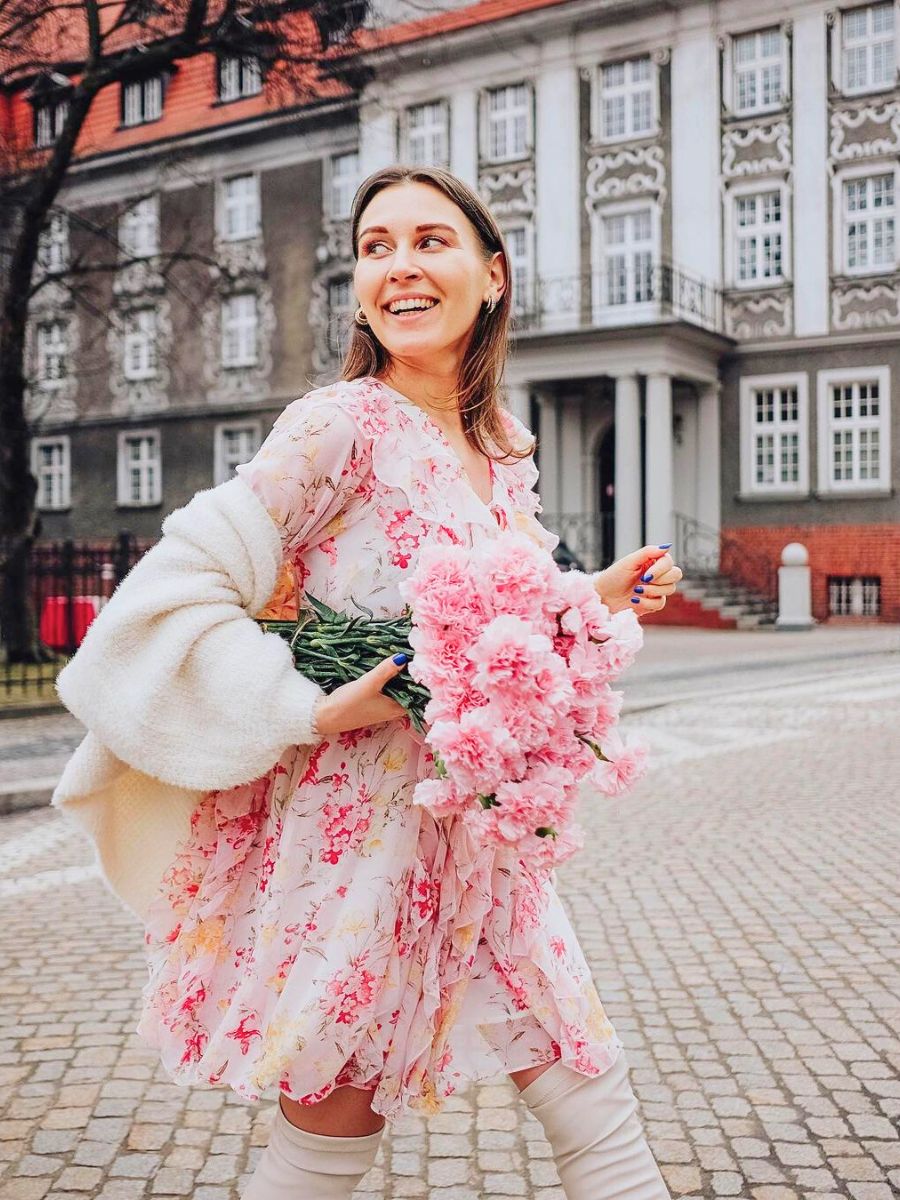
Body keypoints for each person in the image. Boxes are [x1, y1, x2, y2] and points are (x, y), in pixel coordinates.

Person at [51, 165, 683, 1200]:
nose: (399, 267)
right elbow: (173, 588)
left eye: (430, 241)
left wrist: (594, 598)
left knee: (594, 1102)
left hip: (482, 853)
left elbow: (489, 632)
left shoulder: (498, 452)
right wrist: (305, 704)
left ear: (494, 275)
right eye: (376, 247)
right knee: (326, 1140)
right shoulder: (339, 423)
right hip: (356, 846)